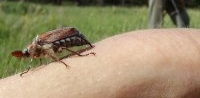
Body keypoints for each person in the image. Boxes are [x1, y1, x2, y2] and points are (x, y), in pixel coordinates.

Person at [1, 28, 200, 98]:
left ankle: (79, 55)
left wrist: (70, 60)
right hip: (68, 38)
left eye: (27, 54)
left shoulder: (40, 43)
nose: (29, 55)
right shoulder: (35, 51)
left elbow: (55, 48)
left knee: (61, 49)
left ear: (30, 48)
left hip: (69, 36)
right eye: (27, 55)